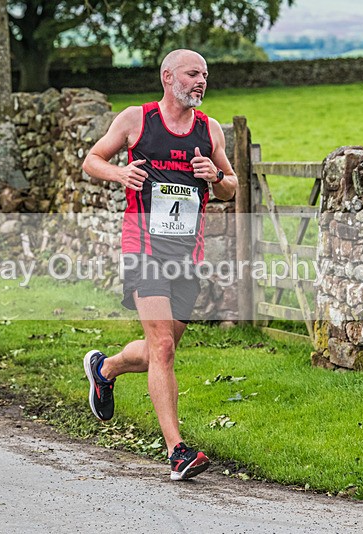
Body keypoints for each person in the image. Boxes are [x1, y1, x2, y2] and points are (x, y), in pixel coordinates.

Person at [82, 49, 237, 480]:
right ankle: (177, 452)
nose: (201, 81)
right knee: (163, 348)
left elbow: (231, 187)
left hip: (187, 257)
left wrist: (215, 176)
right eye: (192, 73)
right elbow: (92, 159)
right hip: (144, 250)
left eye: (205, 74)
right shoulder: (137, 120)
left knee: (158, 351)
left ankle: (105, 368)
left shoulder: (209, 129)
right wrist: (120, 174)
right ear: (168, 77)